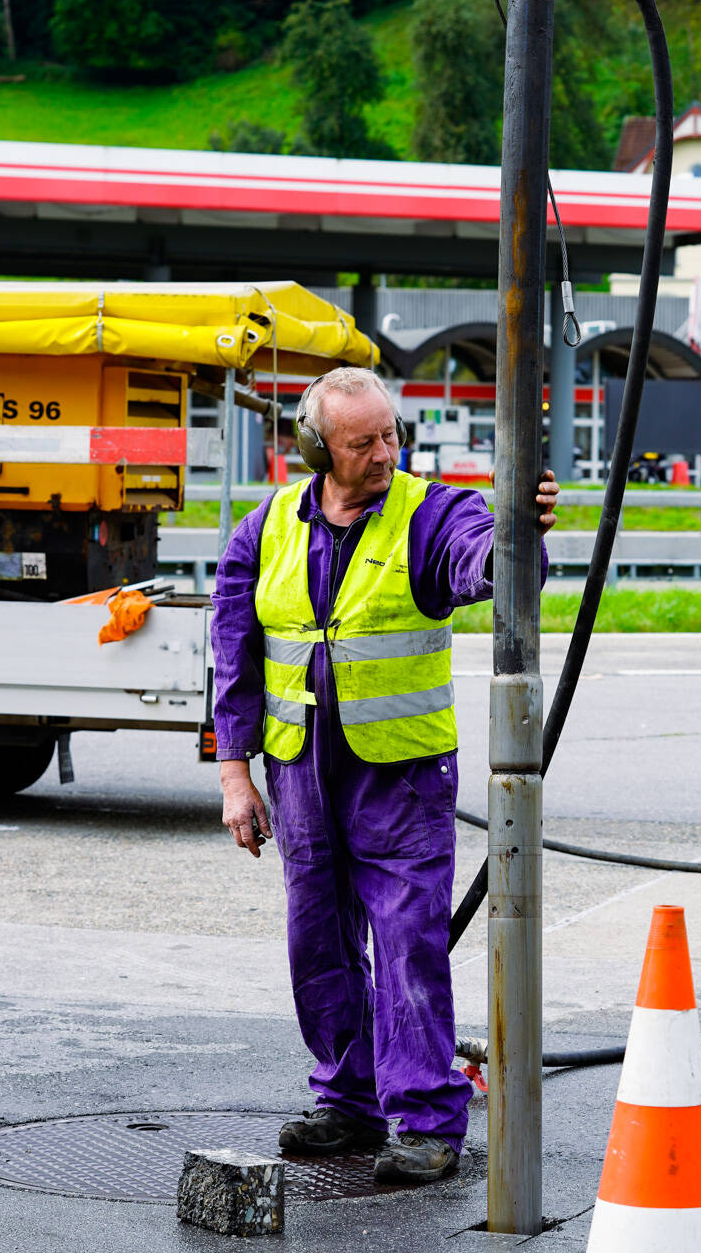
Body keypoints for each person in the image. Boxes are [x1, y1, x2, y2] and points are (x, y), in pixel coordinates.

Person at [210, 366, 560, 1186]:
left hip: (399, 775)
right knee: (318, 944)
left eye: (391, 435)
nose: (383, 453)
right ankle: (348, 1102)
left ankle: (429, 1121)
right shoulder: (266, 531)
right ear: (315, 448)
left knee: (407, 946)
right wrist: (236, 776)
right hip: (300, 773)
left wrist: (521, 534)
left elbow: (490, 569)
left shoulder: (434, 513)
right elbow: (234, 657)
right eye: (361, 442)